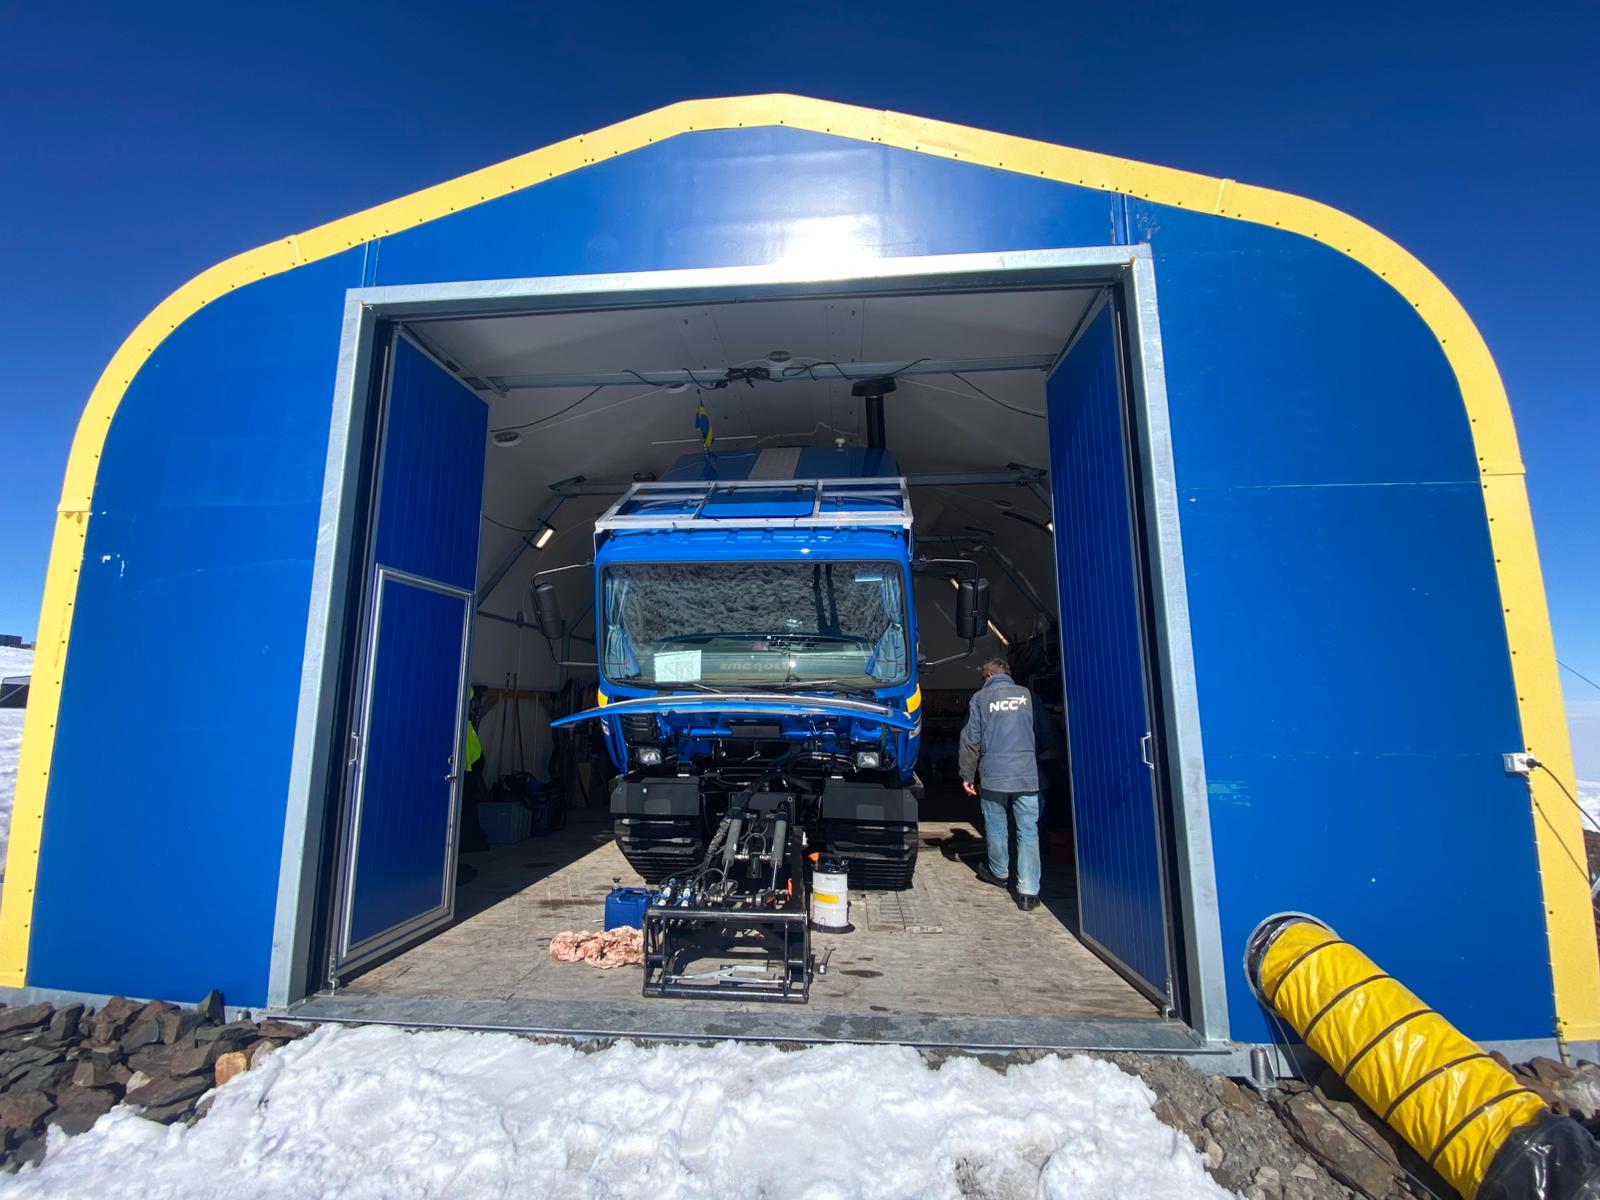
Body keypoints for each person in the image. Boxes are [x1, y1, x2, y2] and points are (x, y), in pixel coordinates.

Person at [958, 658, 1042, 911]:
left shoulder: (980, 699)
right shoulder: (1028, 696)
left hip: (994, 774)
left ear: (987, 676)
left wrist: (967, 776)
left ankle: (999, 873)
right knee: (1028, 831)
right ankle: (1028, 891)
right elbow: (1045, 732)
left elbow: (970, 740)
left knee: (996, 827)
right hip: (1027, 774)